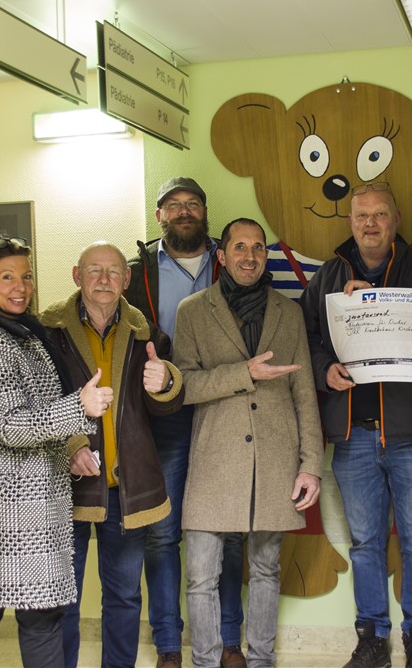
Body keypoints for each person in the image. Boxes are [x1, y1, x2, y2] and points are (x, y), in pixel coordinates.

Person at [0, 238, 112, 668]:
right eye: (7, 277)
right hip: (10, 510)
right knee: (39, 618)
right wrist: (80, 408)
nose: (21, 286)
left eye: (26, 276)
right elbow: (13, 424)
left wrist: (67, 447)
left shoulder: (19, 332)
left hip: (7, 508)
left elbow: (31, 413)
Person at [300, 182, 412, 668]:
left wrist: (377, 304)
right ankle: (372, 642)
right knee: (365, 544)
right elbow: (306, 338)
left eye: (380, 214)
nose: (370, 224)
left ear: (396, 219)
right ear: (349, 221)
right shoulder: (327, 275)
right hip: (352, 435)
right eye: (361, 215)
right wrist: (325, 367)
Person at [174, 218, 323, 668]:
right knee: (200, 577)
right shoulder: (192, 311)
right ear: (222, 255)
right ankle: (205, 661)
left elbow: (305, 393)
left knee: (265, 569)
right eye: (240, 247)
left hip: (275, 459)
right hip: (214, 460)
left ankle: (261, 660)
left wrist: (311, 463)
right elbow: (184, 386)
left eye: (258, 248)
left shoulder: (288, 312)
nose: (250, 256)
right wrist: (245, 374)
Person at [39, 242, 185, 668]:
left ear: (126, 279)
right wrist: (73, 446)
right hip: (64, 490)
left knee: (123, 597)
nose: (104, 280)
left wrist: (166, 381)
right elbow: (37, 402)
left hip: (127, 489)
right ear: (76, 275)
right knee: (60, 597)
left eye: (113, 272)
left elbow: (165, 407)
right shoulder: (48, 333)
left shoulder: (148, 335)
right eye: (94, 270)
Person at [125, 177, 245, 668]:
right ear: (159, 216)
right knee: (163, 533)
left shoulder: (233, 260)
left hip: (223, 410)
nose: (184, 211)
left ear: (205, 211)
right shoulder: (138, 273)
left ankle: (230, 639)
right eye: (173, 205)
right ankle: (170, 647)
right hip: (166, 417)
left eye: (192, 203)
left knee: (232, 529)